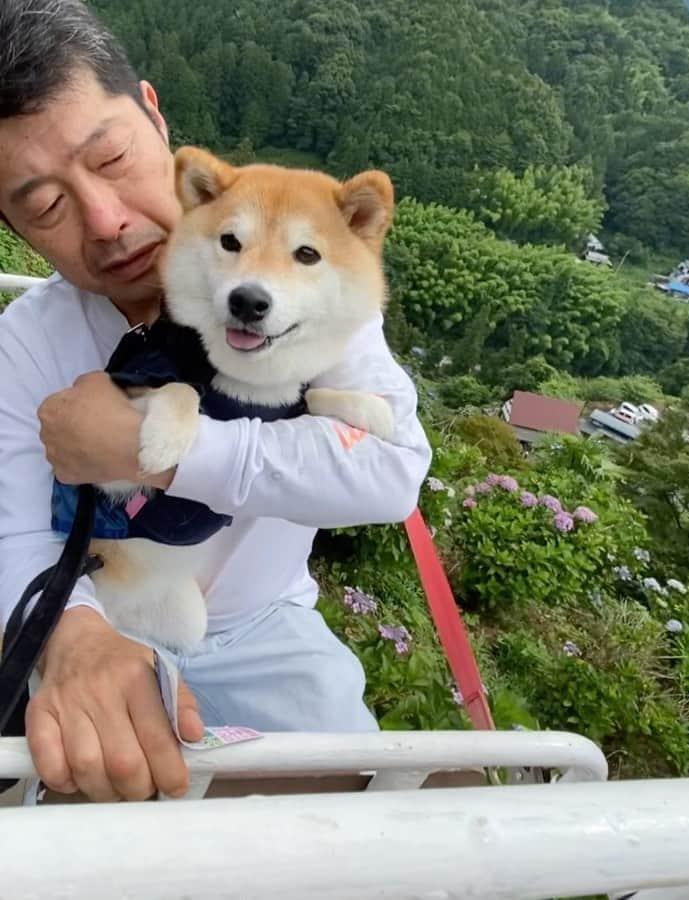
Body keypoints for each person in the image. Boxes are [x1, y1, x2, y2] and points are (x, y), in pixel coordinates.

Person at [0, 0, 431, 802]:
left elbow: (391, 472)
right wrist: (75, 637)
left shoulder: (315, 306)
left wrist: (158, 456)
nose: (106, 220)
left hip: (270, 628)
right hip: (106, 611)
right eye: (46, 206)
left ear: (154, 116)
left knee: (372, 837)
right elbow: (12, 530)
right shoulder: (27, 343)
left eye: (113, 158)